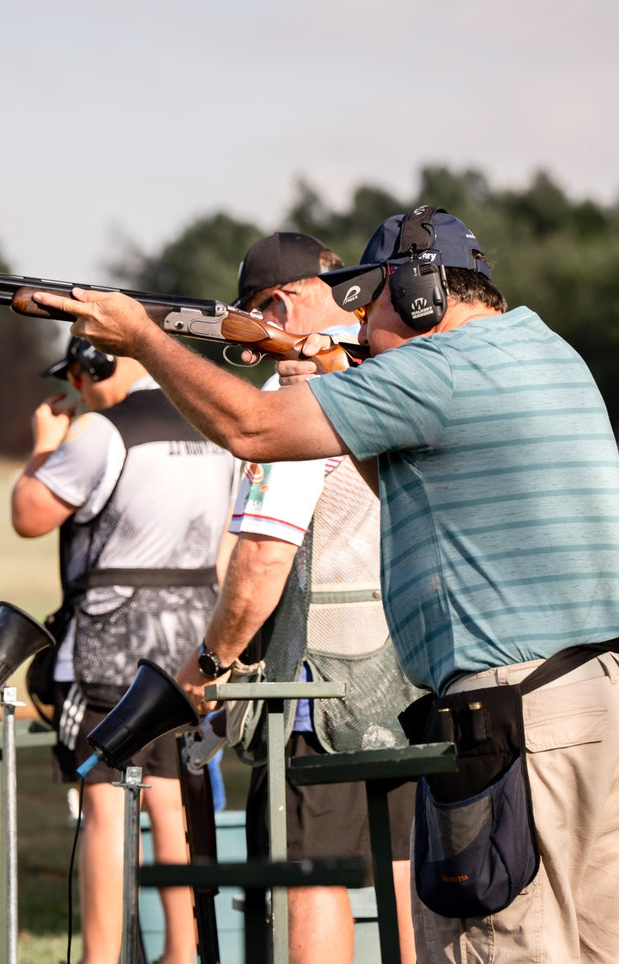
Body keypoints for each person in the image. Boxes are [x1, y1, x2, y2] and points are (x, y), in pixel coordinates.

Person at [34, 206, 619, 964]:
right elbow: (418, 478)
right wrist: (339, 391)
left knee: (501, 947)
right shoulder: (546, 349)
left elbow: (251, 430)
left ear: (423, 292)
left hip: (513, 720)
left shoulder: (438, 369)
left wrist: (143, 339)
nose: (359, 330)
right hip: (608, 706)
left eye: (372, 304)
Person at [174, 231, 425, 964]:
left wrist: (209, 664)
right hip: (413, 673)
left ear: (280, 304)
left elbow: (260, 561)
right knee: (405, 872)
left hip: (323, 683)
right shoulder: (398, 366)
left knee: (309, 875)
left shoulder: (300, 397)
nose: (249, 351)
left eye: (254, 320)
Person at [10, 336, 236, 964]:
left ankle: (102, 958)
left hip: (107, 651)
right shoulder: (209, 423)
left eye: (79, 378)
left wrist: (45, 445)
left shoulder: (100, 434)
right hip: (192, 643)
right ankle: (183, 951)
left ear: (96, 365)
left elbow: (30, 514)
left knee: (105, 803)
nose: (76, 391)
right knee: (172, 797)